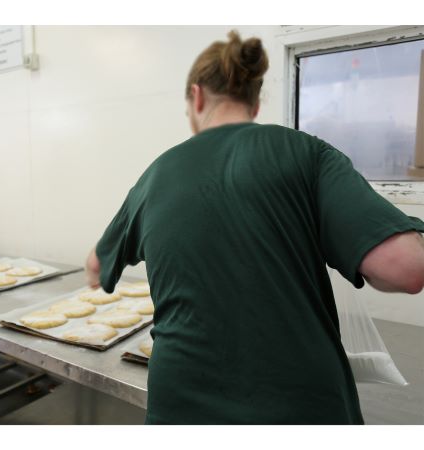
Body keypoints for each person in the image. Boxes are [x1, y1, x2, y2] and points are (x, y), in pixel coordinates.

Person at [85, 31, 424, 424]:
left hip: (183, 409)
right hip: (299, 409)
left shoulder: (156, 175)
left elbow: (97, 266)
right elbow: (406, 268)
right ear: (256, 102)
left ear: (196, 97)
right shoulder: (306, 152)